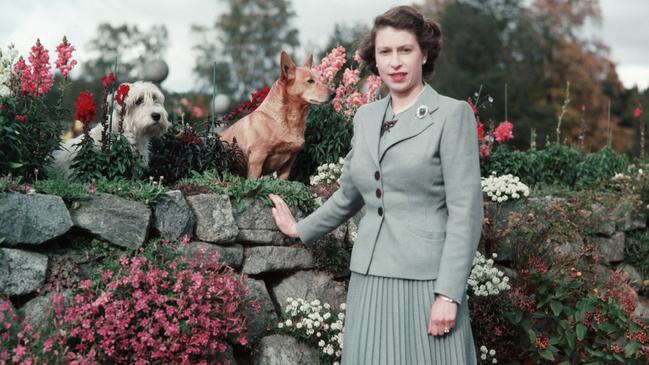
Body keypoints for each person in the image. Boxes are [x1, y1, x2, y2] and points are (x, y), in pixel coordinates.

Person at [268, 5, 483, 364]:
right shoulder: (366, 118)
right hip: (370, 279)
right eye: (386, 52)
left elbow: (466, 212)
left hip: (426, 284)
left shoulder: (451, 114)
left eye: (405, 50)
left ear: (424, 54)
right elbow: (350, 194)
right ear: (375, 59)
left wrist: (448, 294)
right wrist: (300, 228)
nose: (395, 62)